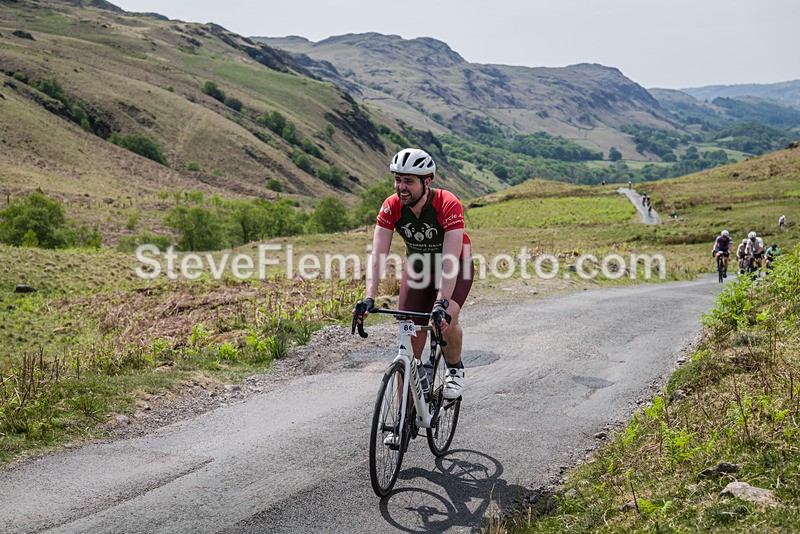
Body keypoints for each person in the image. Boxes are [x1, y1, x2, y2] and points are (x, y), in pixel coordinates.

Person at [353, 147, 473, 402]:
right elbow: (377, 256)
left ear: (426, 181)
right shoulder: (392, 206)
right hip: (418, 271)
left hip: (455, 268)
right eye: (398, 179)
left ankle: (454, 369)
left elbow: (450, 261)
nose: (401, 187)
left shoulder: (447, 204)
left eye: (408, 181)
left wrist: (441, 302)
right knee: (408, 351)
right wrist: (368, 298)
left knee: (445, 320)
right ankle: (401, 427)